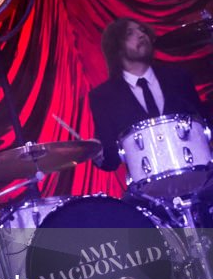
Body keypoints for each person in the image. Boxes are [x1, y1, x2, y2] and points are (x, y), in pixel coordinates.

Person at [88, 17, 207, 172]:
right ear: (116, 47)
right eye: (130, 33)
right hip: (148, 190)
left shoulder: (178, 77)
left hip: (197, 174)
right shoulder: (103, 97)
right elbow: (111, 161)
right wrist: (96, 152)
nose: (141, 35)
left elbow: (201, 123)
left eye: (142, 30)